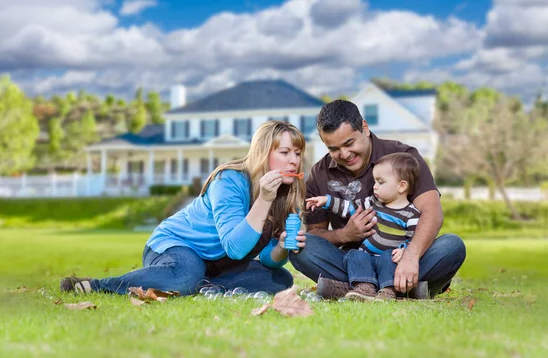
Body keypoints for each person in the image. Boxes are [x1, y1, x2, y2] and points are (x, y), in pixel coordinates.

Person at [60, 121, 307, 296]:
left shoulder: (286, 195)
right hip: (176, 246)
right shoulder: (230, 180)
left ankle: (198, 285)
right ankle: (99, 285)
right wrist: (264, 200)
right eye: (284, 152)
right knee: (185, 275)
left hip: (217, 265)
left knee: (279, 279)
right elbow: (235, 247)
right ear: (263, 153)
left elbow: (267, 257)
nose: (293, 160)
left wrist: (282, 248)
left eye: (297, 153)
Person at [289, 100, 466, 299]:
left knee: (452, 245)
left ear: (364, 127)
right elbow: (315, 233)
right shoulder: (320, 173)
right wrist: (344, 235)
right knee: (301, 247)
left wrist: (410, 256)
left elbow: (432, 213)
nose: (345, 154)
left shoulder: (404, 157)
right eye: (334, 149)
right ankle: (397, 292)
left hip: (399, 258)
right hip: (354, 263)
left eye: (349, 143)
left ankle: (351, 290)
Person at [305, 152, 421, 300]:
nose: (374, 187)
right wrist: (326, 201)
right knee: (355, 255)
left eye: (380, 182)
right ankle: (364, 287)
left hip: (389, 258)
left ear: (401, 186)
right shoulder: (372, 203)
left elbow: (413, 238)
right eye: (375, 181)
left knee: (389, 259)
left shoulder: (411, 214)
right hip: (367, 255)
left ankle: (388, 290)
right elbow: (349, 207)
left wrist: (405, 251)